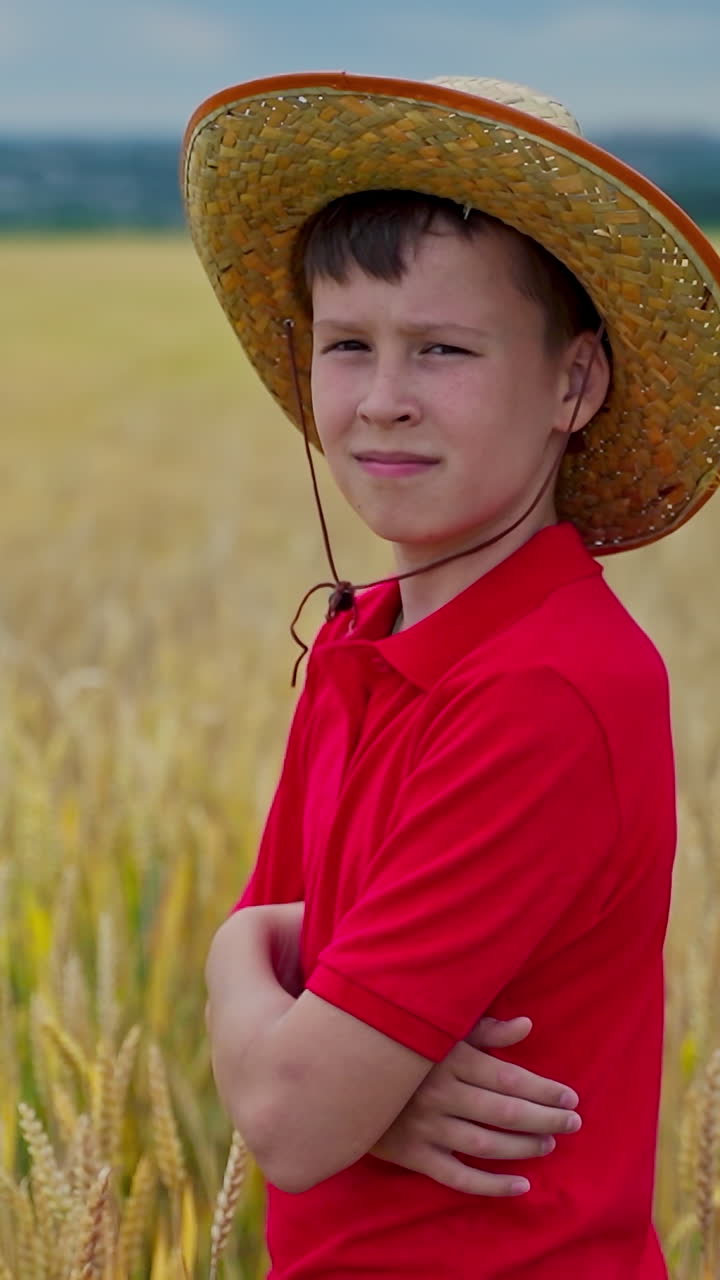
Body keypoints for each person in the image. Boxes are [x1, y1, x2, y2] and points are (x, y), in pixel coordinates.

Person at [184, 73, 720, 1278]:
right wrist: (330, 1045)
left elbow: (288, 1110)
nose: (382, 401)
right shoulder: (360, 635)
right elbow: (281, 976)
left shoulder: (553, 686)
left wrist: (311, 1041)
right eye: (347, 346)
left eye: (443, 348)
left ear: (574, 384)